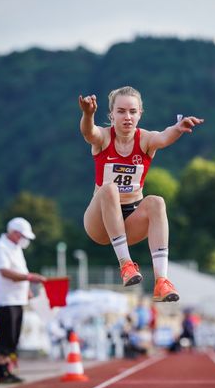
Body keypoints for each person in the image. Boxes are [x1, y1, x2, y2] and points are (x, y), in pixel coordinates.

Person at [78, 86, 204, 302]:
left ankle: (161, 281)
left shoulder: (145, 140)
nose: (127, 117)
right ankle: (125, 264)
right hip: (99, 222)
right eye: (121, 111)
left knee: (156, 201)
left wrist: (178, 128)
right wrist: (88, 114)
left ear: (140, 114)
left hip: (130, 222)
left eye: (132, 111)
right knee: (110, 188)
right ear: (111, 115)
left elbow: (163, 137)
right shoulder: (104, 138)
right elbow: (89, 133)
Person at [0, 217, 47, 384]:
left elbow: (19, 270)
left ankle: (7, 369)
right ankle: (1, 371)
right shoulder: (0, 247)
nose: (25, 240)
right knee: (6, 335)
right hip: (5, 299)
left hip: (16, 298)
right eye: (23, 236)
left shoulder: (15, 248)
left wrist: (26, 288)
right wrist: (29, 278)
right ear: (14, 233)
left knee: (13, 336)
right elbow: (5, 272)